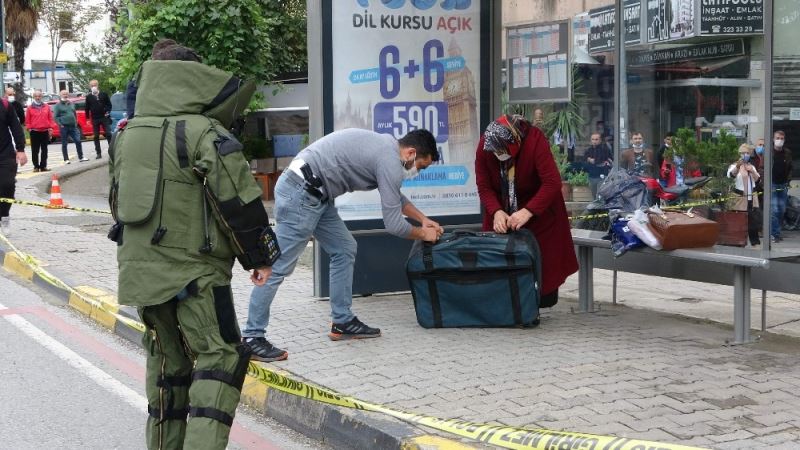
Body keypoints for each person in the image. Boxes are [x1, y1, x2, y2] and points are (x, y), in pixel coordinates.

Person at [110, 43, 279, 450]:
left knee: (168, 366)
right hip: (196, 273)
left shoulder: (127, 133)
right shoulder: (204, 132)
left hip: (139, 273)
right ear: (190, 79)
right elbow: (237, 200)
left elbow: (117, 203)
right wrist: (260, 256)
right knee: (221, 358)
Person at [243, 128, 444, 361]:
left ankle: (342, 321)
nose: (417, 172)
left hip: (315, 193)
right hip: (302, 193)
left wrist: (422, 219)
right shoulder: (390, 161)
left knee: (344, 248)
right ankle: (251, 338)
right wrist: (424, 234)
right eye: (421, 166)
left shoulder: (388, 148)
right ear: (410, 153)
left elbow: (394, 197)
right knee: (276, 267)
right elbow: (394, 225)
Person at [475, 114, 578, 309]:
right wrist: (496, 211)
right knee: (497, 263)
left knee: (544, 277)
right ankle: (505, 305)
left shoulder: (535, 140)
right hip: (502, 210)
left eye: (504, 152)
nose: (500, 156)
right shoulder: (487, 143)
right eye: (496, 153)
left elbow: (552, 182)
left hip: (539, 210)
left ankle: (537, 300)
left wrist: (527, 211)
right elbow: (484, 186)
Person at [0, 91, 27, 235]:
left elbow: (16, 127)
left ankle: (4, 216)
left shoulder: (5, 105)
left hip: (5, 154)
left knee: (7, 185)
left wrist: (20, 149)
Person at [728, 144, 761, 247]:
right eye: (743, 153)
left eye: (747, 153)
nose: (745, 155)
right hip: (740, 198)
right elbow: (731, 176)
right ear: (739, 154)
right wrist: (738, 167)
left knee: (753, 222)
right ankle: (738, 242)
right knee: (739, 221)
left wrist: (751, 171)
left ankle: (755, 243)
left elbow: (758, 180)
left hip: (752, 197)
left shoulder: (752, 166)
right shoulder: (734, 166)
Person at [771, 130, 794, 243]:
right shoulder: (769, 152)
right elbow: (762, 167)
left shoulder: (787, 152)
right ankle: (775, 234)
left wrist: (788, 180)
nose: (779, 140)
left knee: (782, 209)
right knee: (774, 209)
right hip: (772, 184)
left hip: (783, 184)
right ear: (773, 139)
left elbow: (790, 167)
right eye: (777, 138)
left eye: (782, 138)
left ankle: (776, 231)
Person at [24, 89, 55, 171]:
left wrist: (51, 127)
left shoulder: (47, 107)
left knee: (44, 150)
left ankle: (43, 166)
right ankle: (36, 166)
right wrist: (29, 128)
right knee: (35, 150)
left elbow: (50, 118)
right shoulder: (30, 108)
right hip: (34, 131)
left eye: (39, 96)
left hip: (45, 131)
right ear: (34, 97)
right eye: (36, 96)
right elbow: (27, 120)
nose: (38, 97)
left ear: (41, 97)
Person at [53, 91, 87, 163]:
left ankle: (81, 157)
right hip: (64, 126)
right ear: (60, 95)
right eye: (63, 94)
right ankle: (66, 159)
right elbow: (55, 117)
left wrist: (75, 122)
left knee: (78, 140)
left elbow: (74, 113)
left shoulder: (71, 103)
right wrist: (60, 124)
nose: (65, 95)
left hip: (73, 126)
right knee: (64, 143)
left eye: (66, 94)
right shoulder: (57, 105)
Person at [85, 79, 112, 159]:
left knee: (108, 133)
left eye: (95, 85)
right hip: (95, 118)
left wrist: (107, 111)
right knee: (96, 136)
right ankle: (98, 153)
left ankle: (111, 151)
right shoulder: (89, 96)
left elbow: (109, 104)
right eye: (92, 85)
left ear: (98, 85)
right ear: (90, 87)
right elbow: (87, 108)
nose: (94, 87)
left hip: (104, 117)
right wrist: (87, 118)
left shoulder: (103, 94)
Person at [584, 132, 613, 198]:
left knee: (601, 194)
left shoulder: (604, 149)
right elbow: (584, 159)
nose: (594, 141)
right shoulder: (589, 149)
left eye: (596, 139)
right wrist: (589, 160)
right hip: (592, 175)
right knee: (594, 193)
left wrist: (590, 159)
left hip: (602, 175)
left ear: (600, 140)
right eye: (593, 139)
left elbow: (598, 160)